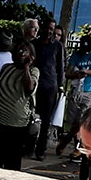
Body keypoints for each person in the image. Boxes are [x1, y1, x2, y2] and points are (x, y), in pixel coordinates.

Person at [0, 41, 38, 171]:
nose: (21, 53)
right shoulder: (6, 67)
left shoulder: (33, 71)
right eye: (20, 50)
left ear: (31, 55)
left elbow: (29, 88)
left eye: (25, 51)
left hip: (18, 124)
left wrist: (26, 67)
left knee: (12, 163)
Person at [61, 34, 91, 153]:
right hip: (76, 89)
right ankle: (75, 142)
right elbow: (67, 73)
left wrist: (87, 71)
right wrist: (75, 75)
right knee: (73, 120)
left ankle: (78, 146)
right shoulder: (76, 55)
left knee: (84, 119)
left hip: (89, 91)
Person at [34, 24, 67, 158]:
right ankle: (27, 145)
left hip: (50, 86)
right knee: (29, 116)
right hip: (34, 84)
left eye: (51, 30)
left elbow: (60, 67)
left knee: (46, 120)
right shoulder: (34, 44)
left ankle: (41, 149)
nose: (48, 31)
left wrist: (60, 85)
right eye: (46, 28)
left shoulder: (58, 46)